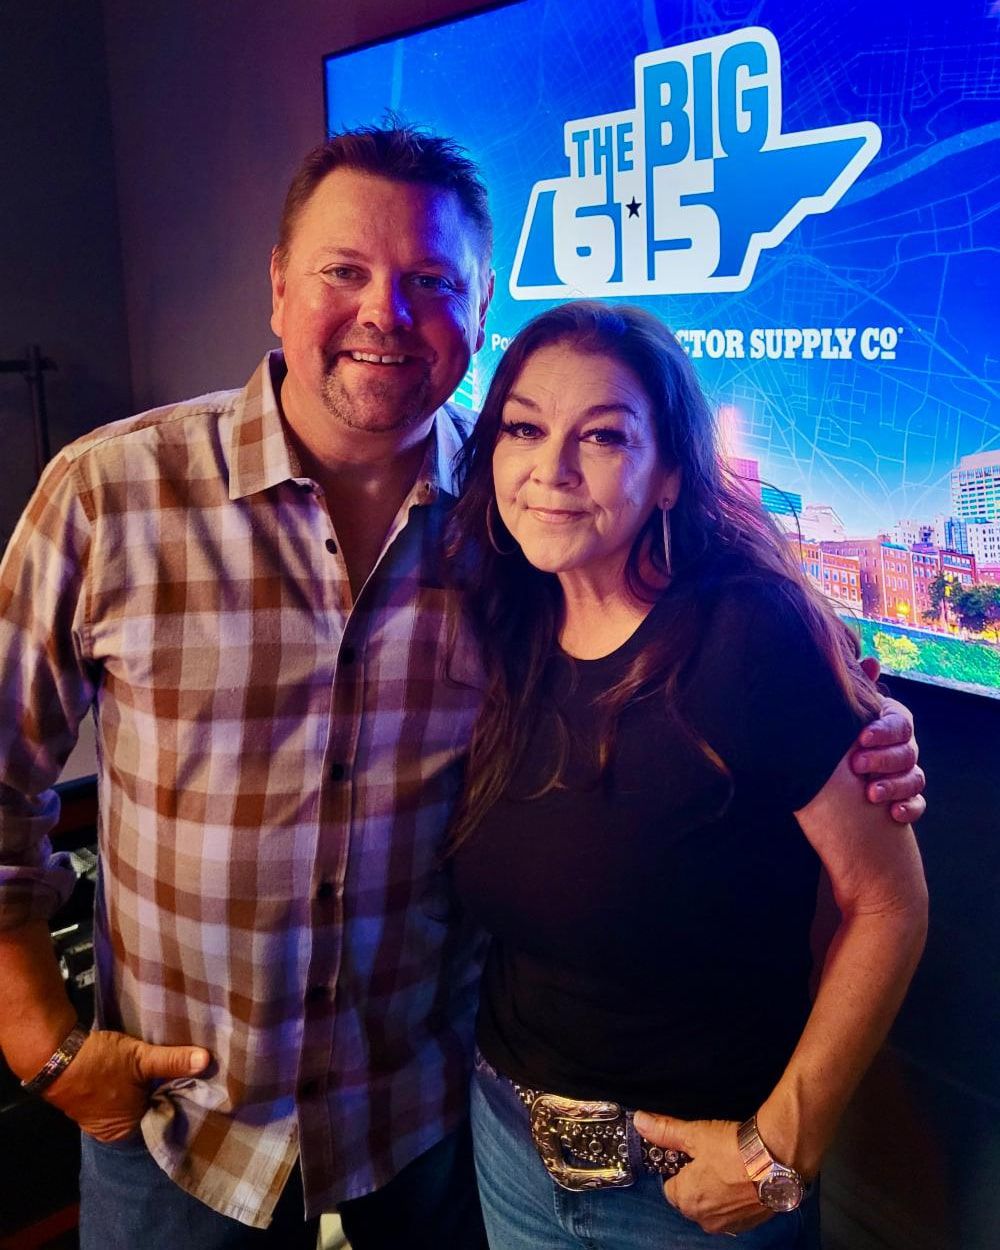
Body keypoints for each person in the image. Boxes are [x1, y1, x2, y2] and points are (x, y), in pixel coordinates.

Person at [0, 127, 923, 1249]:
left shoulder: (508, 532)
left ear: (479, 310)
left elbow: (690, 616)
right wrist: (41, 1040)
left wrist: (853, 710)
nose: (385, 312)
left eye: (432, 282)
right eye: (344, 270)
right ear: (279, 285)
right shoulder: (111, 493)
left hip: (424, 1126)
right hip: (181, 1125)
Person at [444, 301, 929, 1249]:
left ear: (670, 475)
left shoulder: (746, 634)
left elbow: (889, 904)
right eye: (525, 429)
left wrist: (779, 1150)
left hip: (690, 1193)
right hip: (508, 1149)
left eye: (604, 436)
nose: (551, 469)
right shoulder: (507, 621)